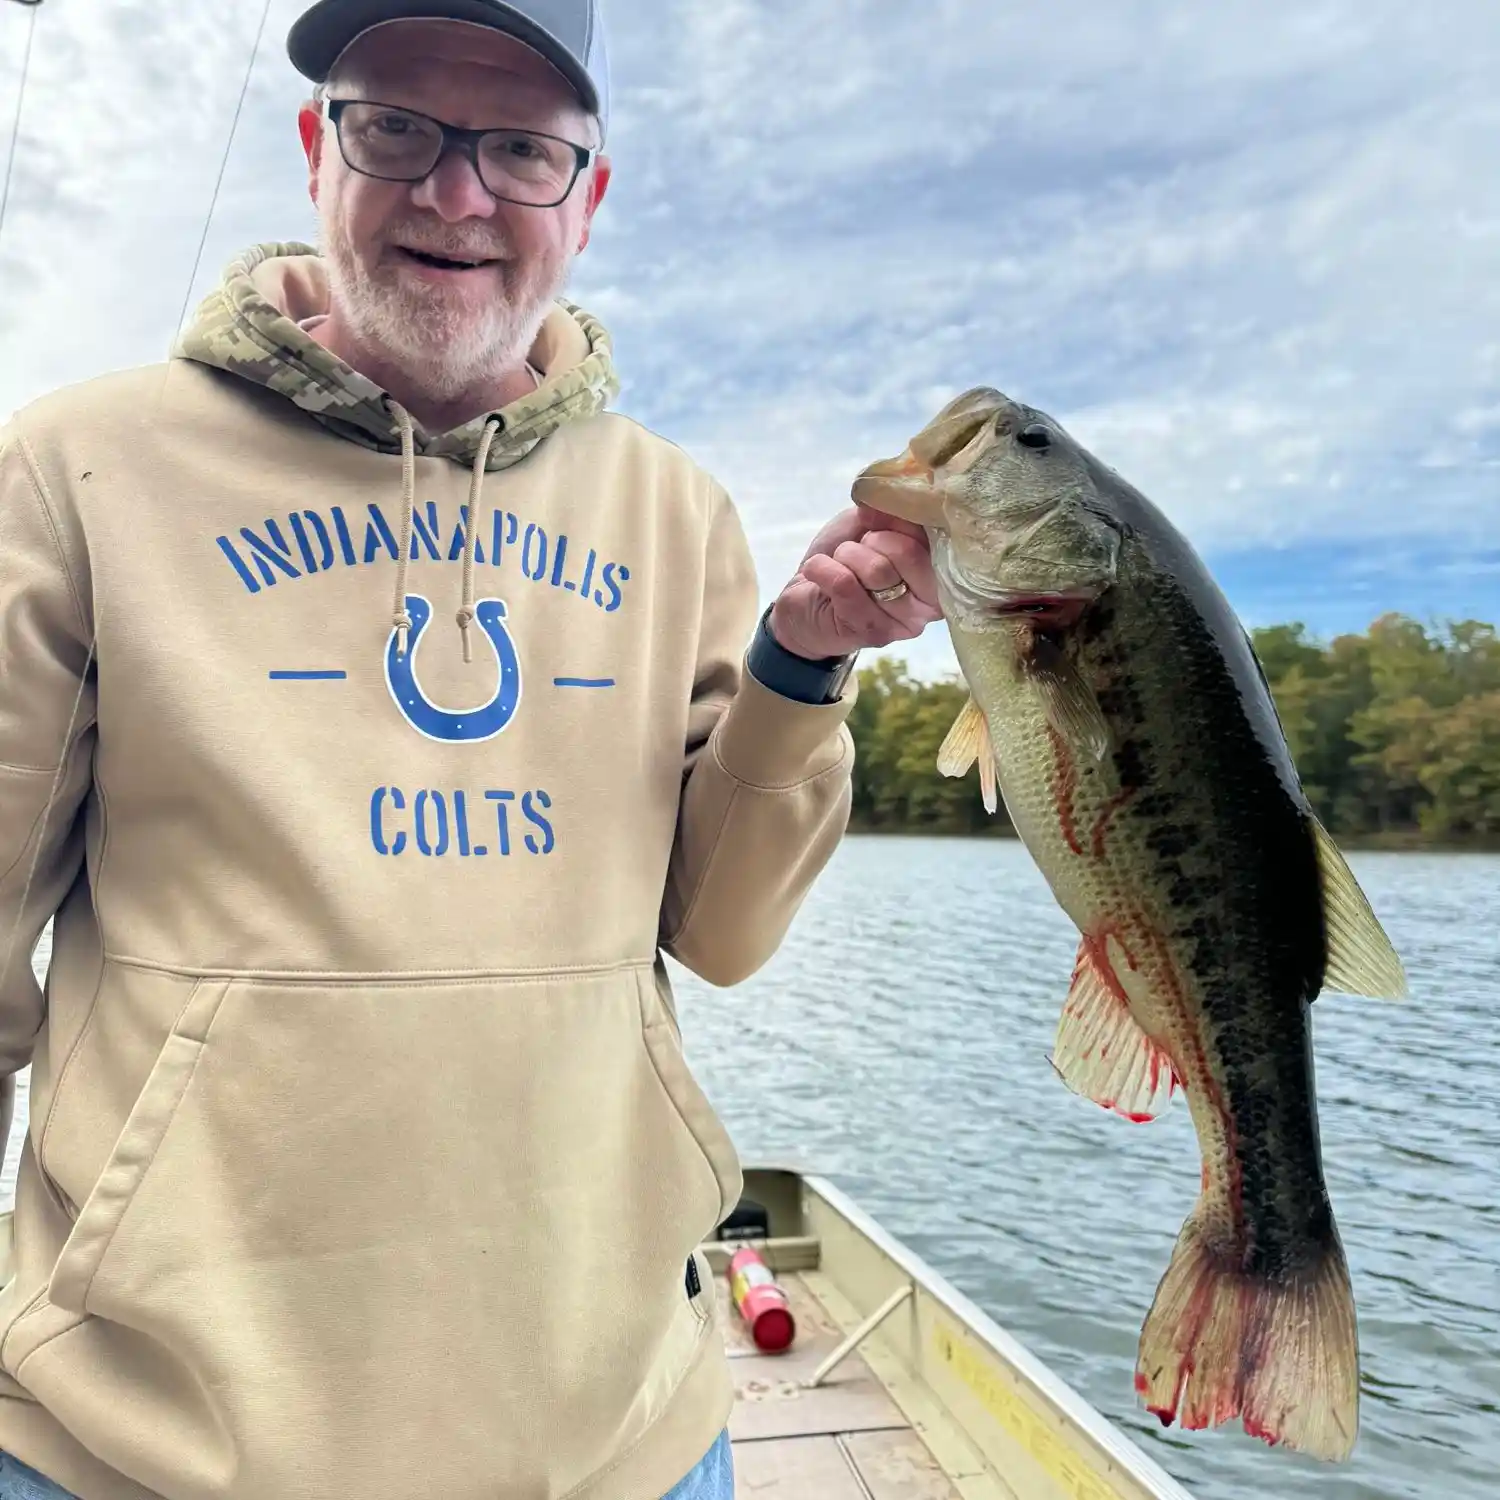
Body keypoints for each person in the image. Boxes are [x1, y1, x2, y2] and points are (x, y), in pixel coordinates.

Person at [0, 2, 942, 1497]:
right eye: (399, 130)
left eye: (519, 149)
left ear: (589, 198)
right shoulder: (74, 468)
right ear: (318, 148)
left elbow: (725, 933)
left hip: (618, 1433)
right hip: (144, 1450)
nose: (456, 196)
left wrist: (801, 662)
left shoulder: (673, 507)